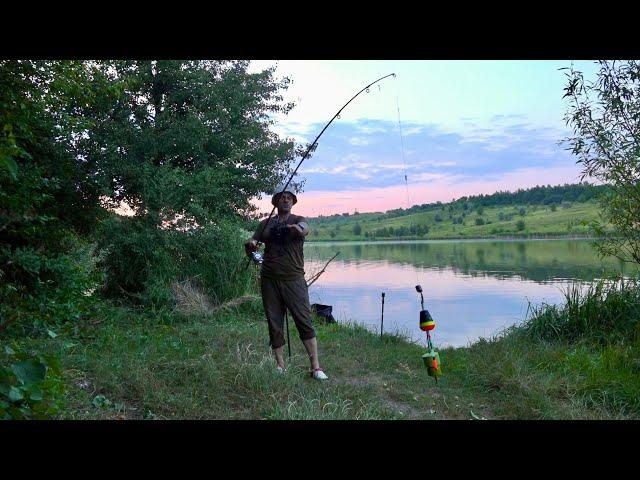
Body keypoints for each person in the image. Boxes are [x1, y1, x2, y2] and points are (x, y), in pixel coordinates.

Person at [245, 185, 328, 381]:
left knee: (304, 321)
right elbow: (252, 243)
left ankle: (315, 367)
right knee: (274, 322)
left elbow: (304, 229)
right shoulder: (265, 224)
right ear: (275, 201)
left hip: (294, 279)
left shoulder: (298, 220)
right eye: (282, 197)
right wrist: (251, 246)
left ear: (293, 202)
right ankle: (280, 364)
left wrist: (294, 229)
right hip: (269, 279)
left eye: (289, 197)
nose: (286, 200)